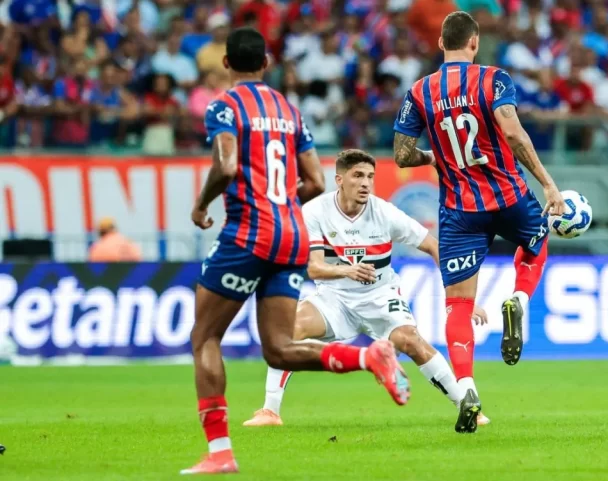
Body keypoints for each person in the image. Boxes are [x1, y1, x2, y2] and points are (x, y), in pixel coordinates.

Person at [182, 28, 407, 475]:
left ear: (226, 63)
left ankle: (220, 453)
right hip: (291, 234)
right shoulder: (289, 110)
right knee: (280, 349)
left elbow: (226, 165)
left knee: (205, 337)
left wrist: (202, 204)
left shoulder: (225, 106)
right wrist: (282, 203)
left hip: (249, 232)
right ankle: (368, 356)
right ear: (266, 64)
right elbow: (317, 181)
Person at [391, 11, 566, 434]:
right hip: (508, 195)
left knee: (458, 304)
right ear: (474, 42)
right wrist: (548, 184)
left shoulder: (419, 91)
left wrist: (433, 157)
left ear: (440, 44)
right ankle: (518, 300)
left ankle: (467, 388)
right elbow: (513, 133)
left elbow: (401, 155)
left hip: (459, 210)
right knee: (537, 241)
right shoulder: (493, 79)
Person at [243, 150, 491, 430]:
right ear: (339, 179)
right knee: (289, 329)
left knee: (410, 340)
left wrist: (460, 299)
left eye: (370, 177)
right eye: (358, 175)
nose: (365, 183)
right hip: (334, 297)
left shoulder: (385, 212)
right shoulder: (314, 212)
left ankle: (468, 407)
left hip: (380, 295)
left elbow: (433, 246)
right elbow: (313, 268)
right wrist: (346, 270)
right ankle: (270, 411)